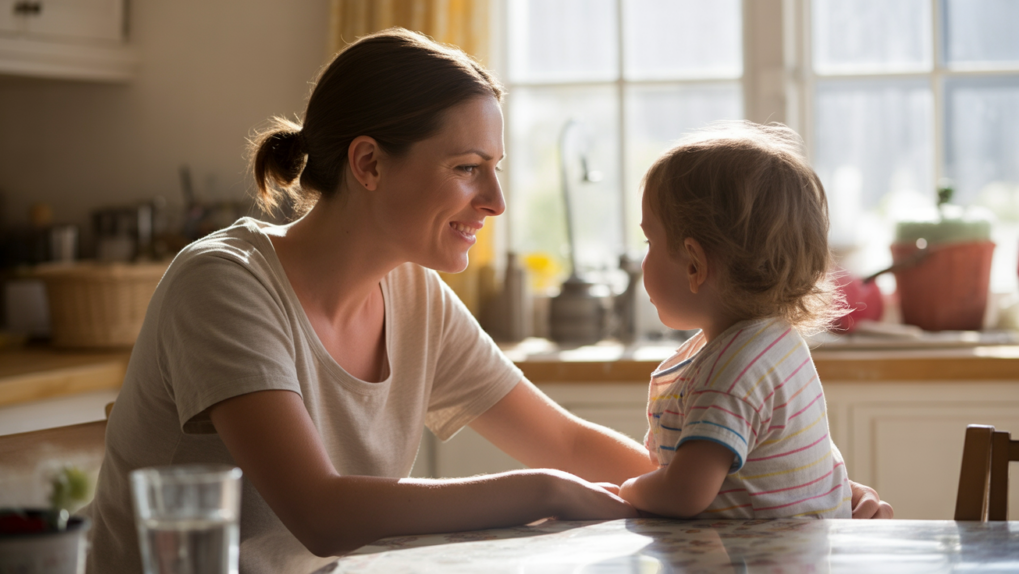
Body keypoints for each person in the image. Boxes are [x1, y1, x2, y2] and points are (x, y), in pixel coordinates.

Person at [81, 29, 890, 574]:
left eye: (495, 166)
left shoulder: (416, 299)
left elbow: (568, 443)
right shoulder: (224, 283)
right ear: (368, 164)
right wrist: (538, 491)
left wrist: (785, 493)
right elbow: (319, 514)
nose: (497, 199)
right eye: (469, 167)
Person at [618, 122, 882, 519]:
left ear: (695, 263)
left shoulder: (730, 371)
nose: (643, 261)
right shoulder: (775, 342)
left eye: (649, 243)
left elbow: (685, 493)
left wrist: (628, 488)